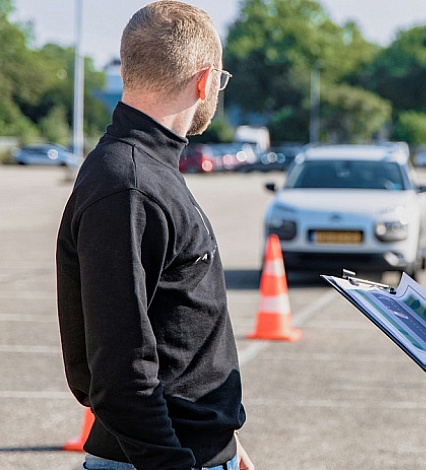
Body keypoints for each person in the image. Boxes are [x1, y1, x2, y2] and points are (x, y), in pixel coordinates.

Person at [56, 2, 254, 469]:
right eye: (220, 83)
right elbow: (120, 375)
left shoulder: (145, 171)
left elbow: (173, 333)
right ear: (205, 81)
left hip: (194, 450)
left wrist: (222, 438)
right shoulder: (128, 184)